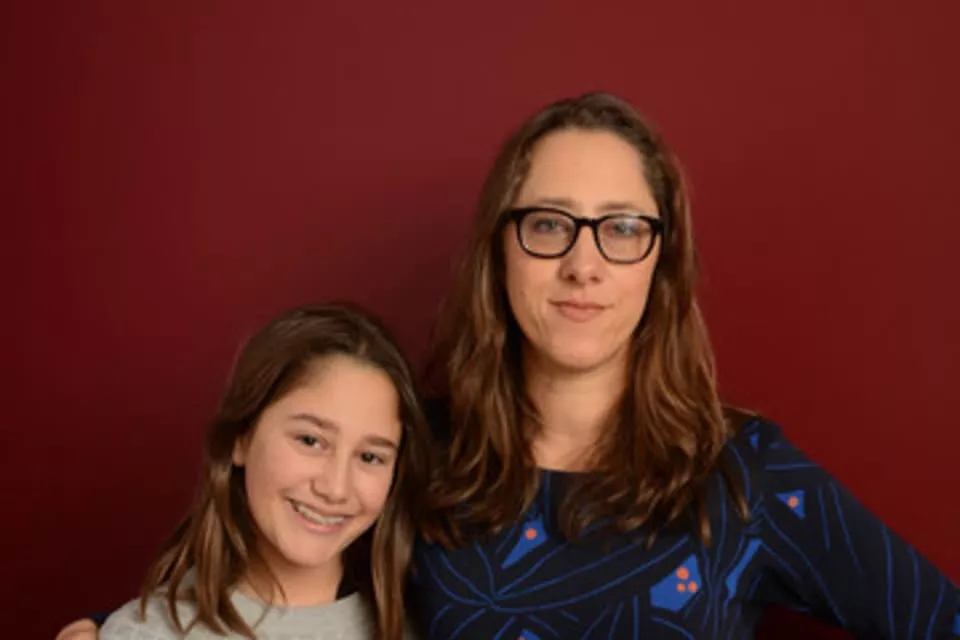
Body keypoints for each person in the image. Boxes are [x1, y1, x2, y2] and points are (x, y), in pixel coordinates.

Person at [57, 93, 959, 639]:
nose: (583, 263)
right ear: (500, 250)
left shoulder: (745, 474)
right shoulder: (419, 449)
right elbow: (261, 557)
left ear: (660, 261)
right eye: (548, 224)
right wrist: (104, 628)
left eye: (622, 228)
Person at [82, 303, 431, 639]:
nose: (335, 488)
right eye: (310, 440)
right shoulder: (145, 633)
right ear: (242, 437)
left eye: (370, 457)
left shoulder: (425, 628)